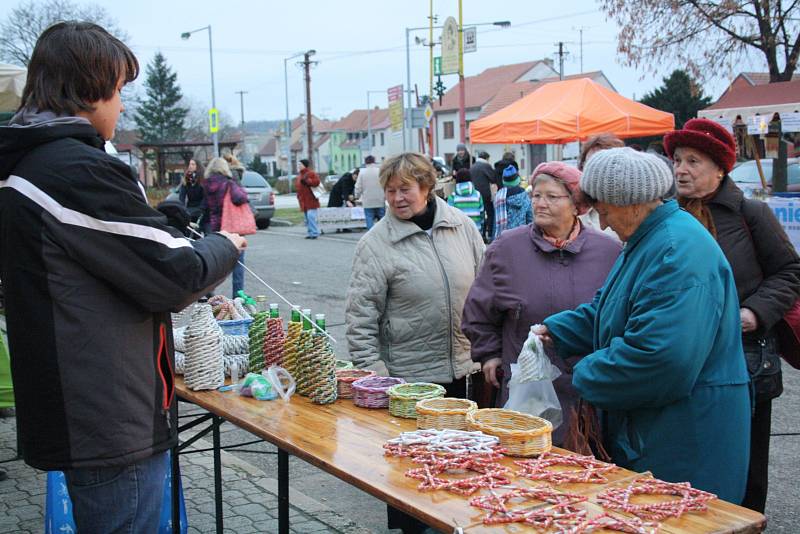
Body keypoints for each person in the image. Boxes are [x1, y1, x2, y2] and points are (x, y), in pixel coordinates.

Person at [0, 22, 244, 532]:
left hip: (78, 403)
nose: (122, 106)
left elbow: (120, 251)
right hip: (108, 415)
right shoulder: (74, 169)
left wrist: (166, 224)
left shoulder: (30, 162)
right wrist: (227, 244)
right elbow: (176, 276)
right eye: (117, 91)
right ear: (87, 90)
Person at [536, 147, 750, 504]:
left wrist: (583, 375)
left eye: (603, 210)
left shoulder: (675, 250)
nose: (602, 223)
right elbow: (612, 309)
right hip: (658, 429)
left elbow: (662, 359)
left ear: (631, 202)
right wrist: (558, 330)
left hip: (685, 438)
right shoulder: (647, 240)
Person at [664, 118, 800, 512]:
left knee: (745, 463)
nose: (681, 170)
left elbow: (790, 271)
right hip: (686, 355)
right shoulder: (668, 215)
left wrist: (755, 312)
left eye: (694, 161)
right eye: (677, 160)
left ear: (720, 168)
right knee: (690, 454)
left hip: (746, 357)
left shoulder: (750, 213)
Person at [345, 152, 484, 533]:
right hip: (410, 386)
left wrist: (488, 352)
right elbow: (360, 318)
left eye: (404, 189)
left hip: (465, 374)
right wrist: (377, 378)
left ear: (427, 186)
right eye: (389, 191)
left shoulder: (462, 227)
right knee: (414, 486)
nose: (396, 198)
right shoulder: (376, 244)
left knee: (461, 475)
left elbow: (486, 290)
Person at [462, 161, 620, 443]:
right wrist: (489, 353)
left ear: (577, 205)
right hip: (526, 389)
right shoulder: (506, 249)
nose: (540, 203)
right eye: (536, 195)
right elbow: (479, 309)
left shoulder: (608, 251)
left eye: (551, 196)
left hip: (586, 390)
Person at [203, 156, 249, 297]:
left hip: (211, 226)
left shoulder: (205, 184)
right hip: (229, 226)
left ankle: (209, 292)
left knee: (213, 261)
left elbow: (203, 205)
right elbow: (240, 198)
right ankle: (238, 294)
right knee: (238, 262)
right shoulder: (228, 183)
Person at [577, 133, 625, 237]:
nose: (594, 171)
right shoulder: (574, 205)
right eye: (589, 164)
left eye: (602, 165)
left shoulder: (628, 209)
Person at [494, 165, 532, 239]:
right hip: (522, 237)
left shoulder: (499, 196)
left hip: (503, 239)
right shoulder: (524, 195)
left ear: (504, 181)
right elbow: (530, 218)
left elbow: (495, 222)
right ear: (518, 179)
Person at [470, 151, 499, 242]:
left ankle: (481, 234)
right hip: (485, 194)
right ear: (486, 158)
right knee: (490, 214)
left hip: (474, 194)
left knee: (479, 215)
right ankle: (490, 234)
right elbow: (493, 178)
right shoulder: (486, 166)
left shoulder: (473, 167)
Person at [447, 168, 484, 234]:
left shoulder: (452, 197)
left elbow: (449, 216)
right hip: (476, 230)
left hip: (459, 233)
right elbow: (482, 214)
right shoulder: (477, 194)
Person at [354, 155, 385, 230]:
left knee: (369, 218)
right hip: (380, 199)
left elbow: (358, 187)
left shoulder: (362, 172)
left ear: (365, 162)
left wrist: (356, 196)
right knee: (382, 218)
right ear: (374, 161)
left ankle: (371, 235)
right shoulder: (380, 171)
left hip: (368, 201)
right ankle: (383, 233)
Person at [295, 158, 321, 239]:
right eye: (298, 164)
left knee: (311, 216)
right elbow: (298, 187)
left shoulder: (311, 173)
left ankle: (314, 232)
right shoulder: (299, 175)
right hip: (303, 200)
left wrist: (308, 181)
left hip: (311, 199)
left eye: (300, 164)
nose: (298, 166)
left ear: (304, 165)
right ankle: (310, 232)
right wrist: (298, 196)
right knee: (307, 218)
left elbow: (317, 182)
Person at [178, 158, 207, 228]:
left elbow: (205, 196)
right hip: (190, 207)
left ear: (198, 166)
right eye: (190, 164)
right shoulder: (186, 179)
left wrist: (201, 208)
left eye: (193, 164)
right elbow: (182, 196)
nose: (190, 166)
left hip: (201, 208)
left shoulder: (203, 179)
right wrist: (181, 208)